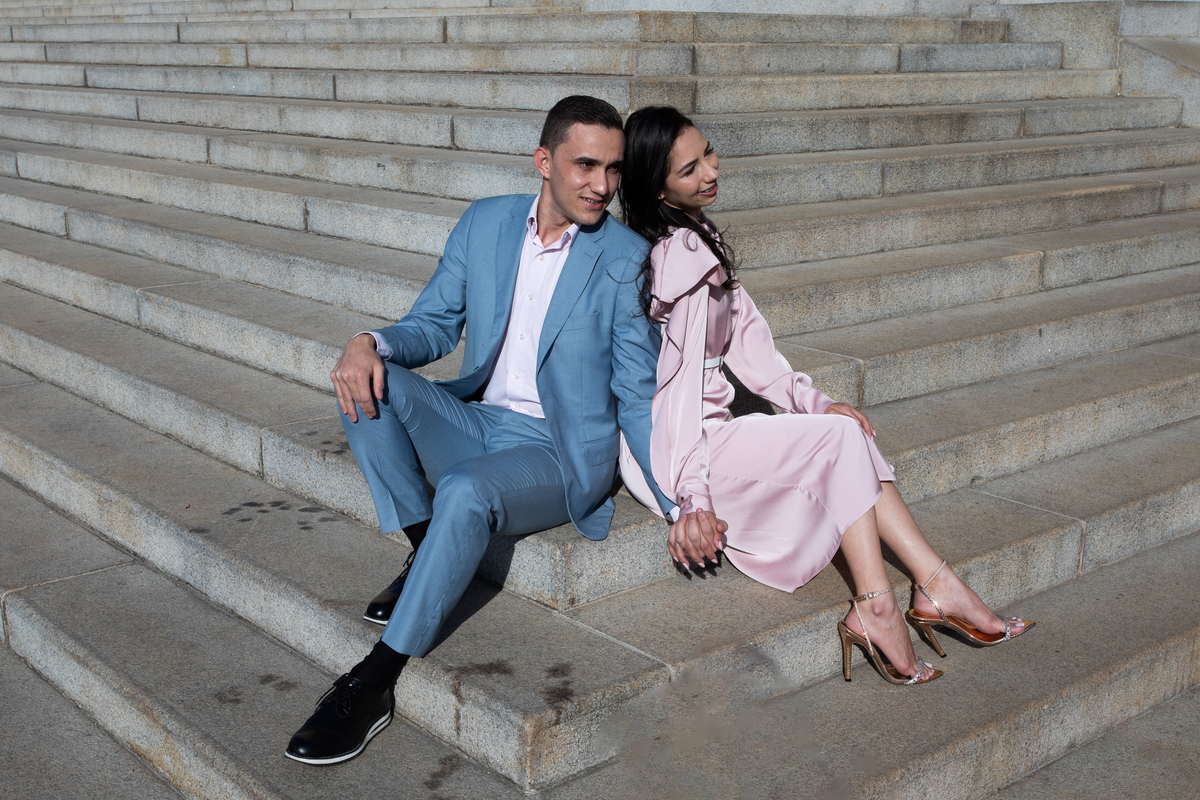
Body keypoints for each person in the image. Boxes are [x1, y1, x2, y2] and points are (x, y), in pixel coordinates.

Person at [285, 96, 673, 765]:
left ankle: (373, 681)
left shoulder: (626, 257)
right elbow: (434, 324)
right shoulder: (486, 221)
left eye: (613, 169)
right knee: (366, 382)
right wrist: (366, 342)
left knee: (465, 487)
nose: (602, 185)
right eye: (585, 165)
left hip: (556, 451)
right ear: (543, 160)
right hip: (477, 419)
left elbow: (638, 397)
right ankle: (431, 551)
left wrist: (680, 501)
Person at [616, 106, 1034, 686]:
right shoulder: (680, 257)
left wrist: (815, 402)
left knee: (843, 430)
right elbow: (680, 389)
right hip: (687, 445)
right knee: (840, 439)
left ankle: (935, 585)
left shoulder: (697, 234)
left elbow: (753, 348)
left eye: (707, 152)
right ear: (659, 189)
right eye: (689, 170)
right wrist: (691, 494)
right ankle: (880, 605)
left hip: (715, 428)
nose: (710, 171)